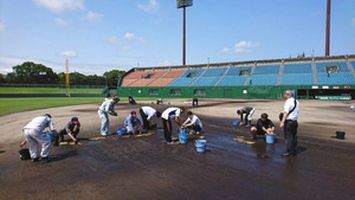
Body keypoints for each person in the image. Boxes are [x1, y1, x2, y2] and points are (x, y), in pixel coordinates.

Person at [280, 90, 300, 157]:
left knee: (288, 137)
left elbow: (286, 112)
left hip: (289, 122)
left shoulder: (288, 101)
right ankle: (293, 150)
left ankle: (289, 152)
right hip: (295, 121)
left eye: (284, 94)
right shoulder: (296, 101)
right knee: (294, 136)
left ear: (288, 95)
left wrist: (282, 122)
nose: (284, 96)